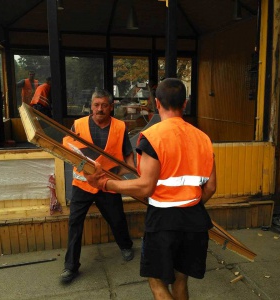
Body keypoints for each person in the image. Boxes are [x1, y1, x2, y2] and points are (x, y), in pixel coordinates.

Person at [85, 78, 217, 300]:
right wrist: (191, 204)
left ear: (157, 103)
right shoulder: (204, 138)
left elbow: (145, 186)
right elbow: (211, 187)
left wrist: (105, 183)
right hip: (195, 219)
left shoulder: (154, 137)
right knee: (180, 280)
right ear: (184, 104)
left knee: (156, 282)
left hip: (163, 221)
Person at [60, 89, 135, 284]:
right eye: (96, 105)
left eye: (103, 105)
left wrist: (124, 171)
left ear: (111, 107)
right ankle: (70, 267)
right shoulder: (78, 124)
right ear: (91, 106)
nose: (99, 109)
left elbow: (127, 154)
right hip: (82, 185)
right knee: (75, 224)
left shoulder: (120, 127)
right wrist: (85, 167)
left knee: (117, 218)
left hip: (108, 184)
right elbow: (68, 149)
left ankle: (126, 246)